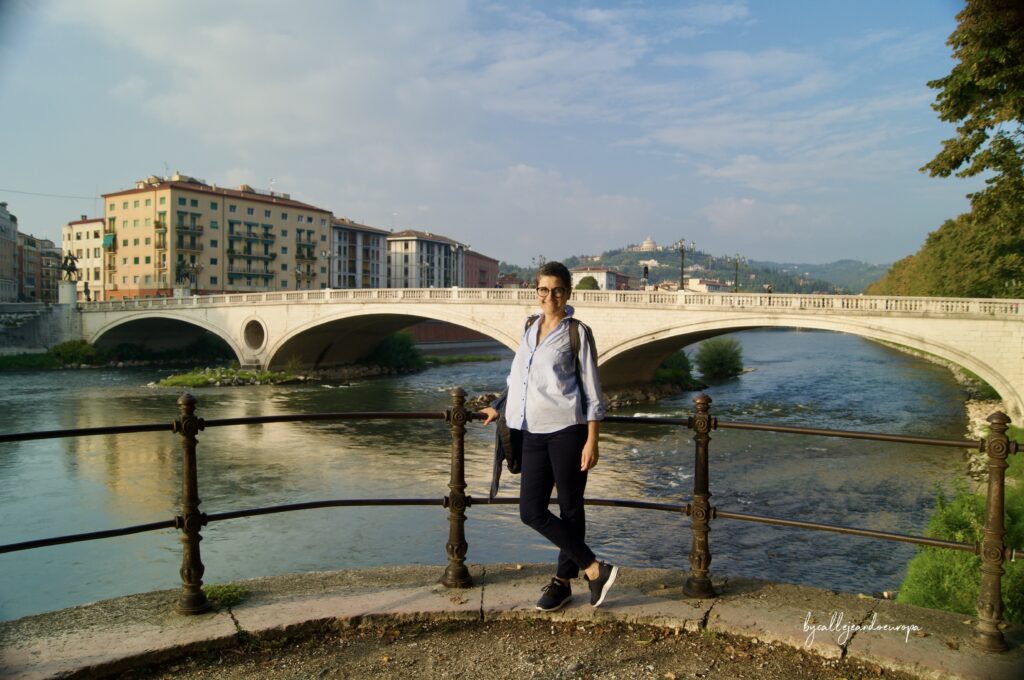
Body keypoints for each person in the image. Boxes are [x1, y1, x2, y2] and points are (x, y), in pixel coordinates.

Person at [480, 261, 618, 611]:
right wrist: (499, 405)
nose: (550, 296)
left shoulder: (577, 332)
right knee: (531, 510)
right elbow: (519, 378)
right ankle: (594, 568)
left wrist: (592, 439)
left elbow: (592, 389)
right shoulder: (529, 327)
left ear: (568, 293)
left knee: (571, 509)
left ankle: (562, 582)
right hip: (531, 432)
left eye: (557, 290)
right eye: (544, 289)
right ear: (536, 292)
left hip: (567, 431)